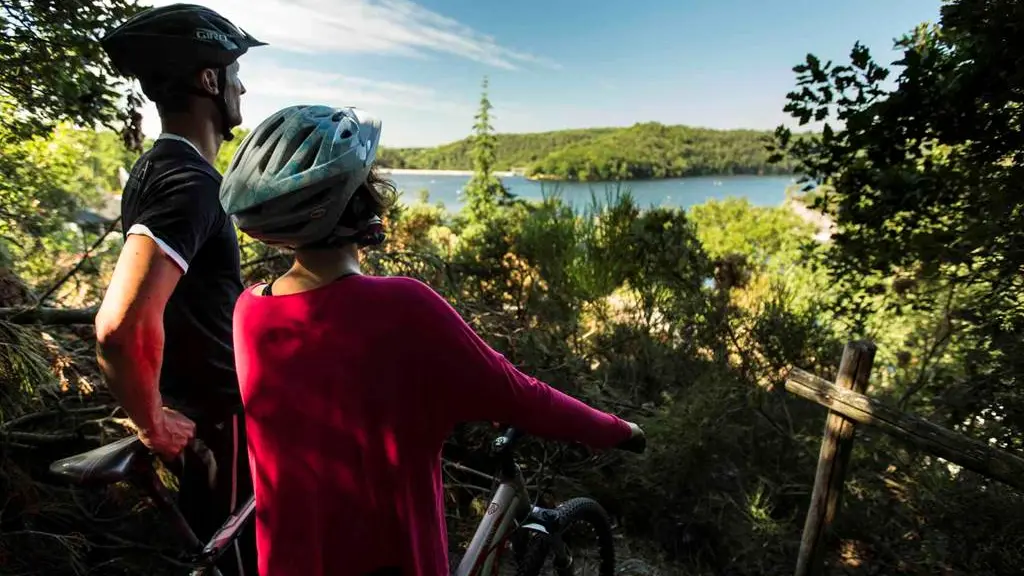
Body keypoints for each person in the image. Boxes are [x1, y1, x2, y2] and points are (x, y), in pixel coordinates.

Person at [218, 104, 647, 576]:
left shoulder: (250, 309)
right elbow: (519, 394)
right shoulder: (404, 307)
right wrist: (616, 430)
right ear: (358, 204)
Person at [93, 4, 265, 575]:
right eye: (235, 72)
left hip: (203, 418)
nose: (243, 85)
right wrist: (152, 421)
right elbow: (120, 327)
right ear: (209, 80)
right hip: (217, 421)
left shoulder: (157, 168)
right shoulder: (188, 181)